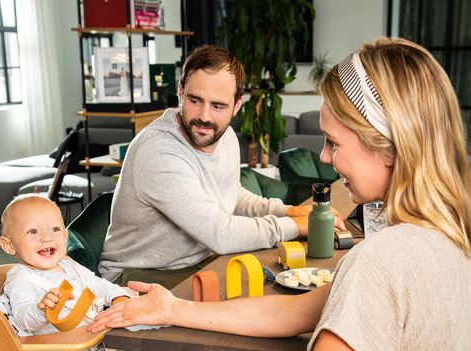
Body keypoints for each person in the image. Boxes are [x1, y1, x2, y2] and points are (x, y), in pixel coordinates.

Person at [88, 37, 471, 351]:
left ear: (387, 146)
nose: (325, 158)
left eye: (333, 143)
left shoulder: (377, 264)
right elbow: (300, 310)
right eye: (195, 99)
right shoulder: (450, 238)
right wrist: (173, 309)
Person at [98, 45, 345, 289]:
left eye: (218, 106)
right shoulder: (158, 151)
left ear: (237, 106)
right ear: (180, 91)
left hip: (200, 260)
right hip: (137, 277)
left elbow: (229, 192)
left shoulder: (222, 136)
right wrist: (294, 226)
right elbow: (220, 233)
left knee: (278, 280)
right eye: (195, 100)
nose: (204, 117)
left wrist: (287, 212)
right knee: (257, 296)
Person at [0, 194, 171, 351]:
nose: (46, 238)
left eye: (55, 230)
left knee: (163, 343)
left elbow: (99, 285)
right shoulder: (22, 279)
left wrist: (118, 298)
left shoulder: (68, 266)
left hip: (99, 339)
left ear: (66, 235)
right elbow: (23, 317)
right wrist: (41, 310)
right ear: (9, 245)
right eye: (33, 232)